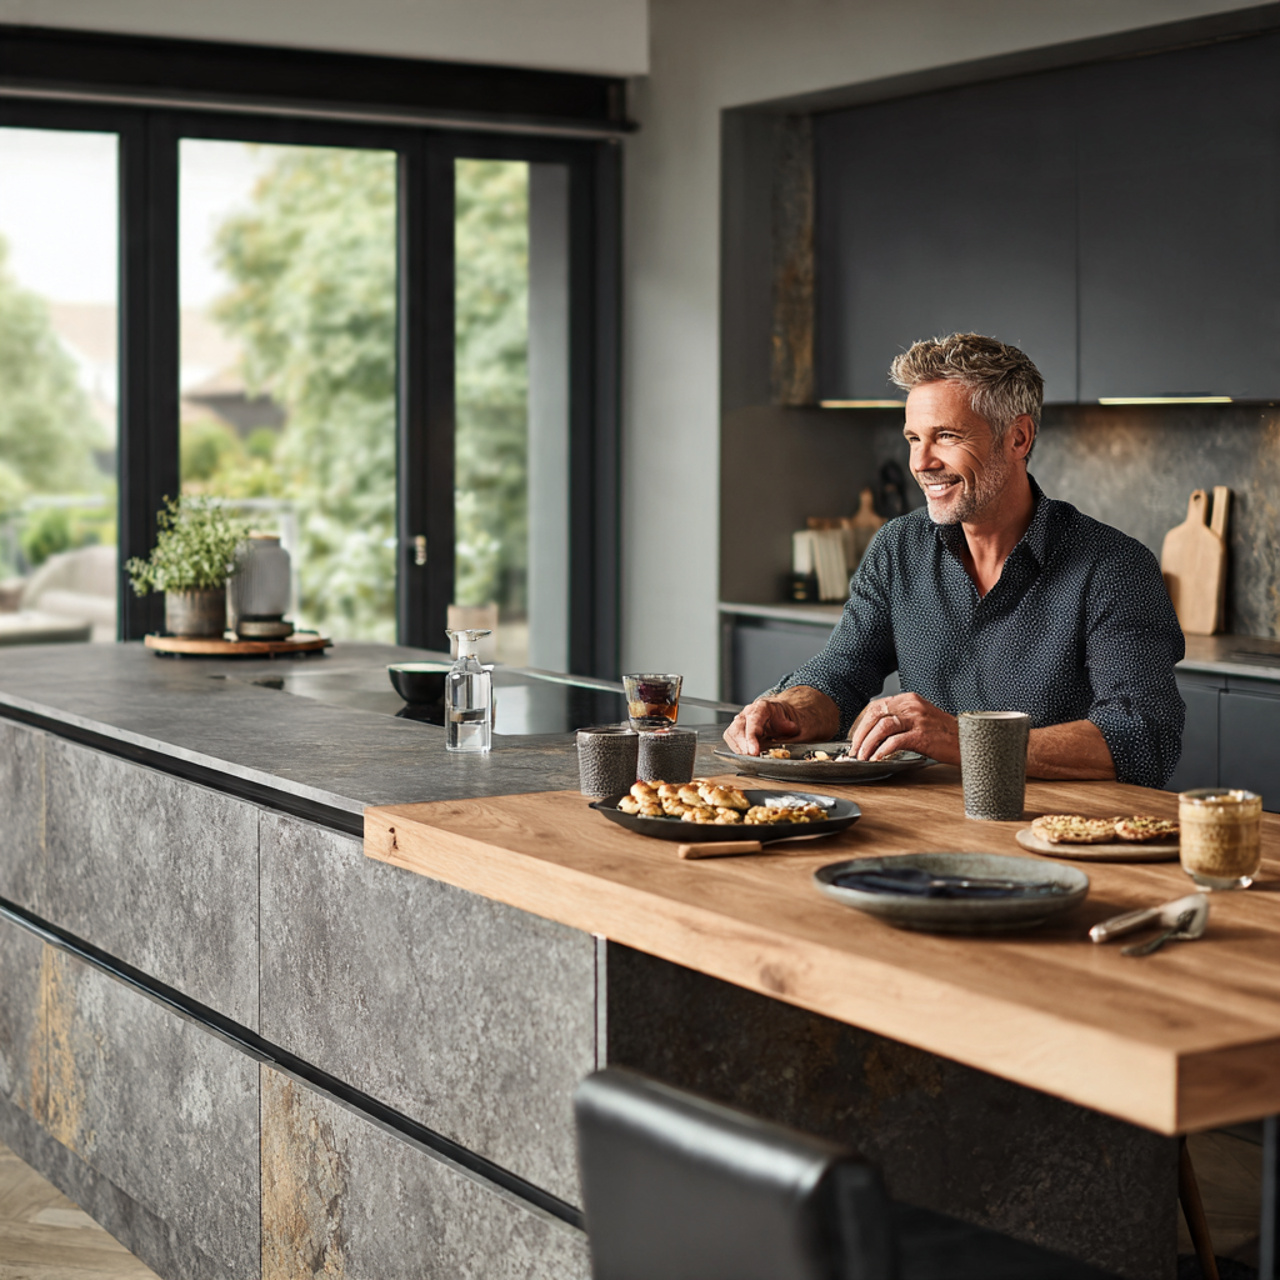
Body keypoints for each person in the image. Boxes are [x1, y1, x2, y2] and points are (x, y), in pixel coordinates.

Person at [723, 333, 1185, 788]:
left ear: (1018, 438)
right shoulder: (898, 547)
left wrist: (963, 739)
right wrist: (790, 709)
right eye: (913, 438)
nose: (921, 462)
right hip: (933, 820)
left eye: (945, 436)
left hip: (1063, 831)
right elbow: (841, 673)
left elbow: (1143, 737)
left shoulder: (1114, 566)